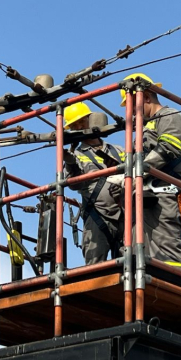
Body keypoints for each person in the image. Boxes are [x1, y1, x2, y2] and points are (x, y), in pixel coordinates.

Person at [120, 73, 181, 268]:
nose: (132, 114)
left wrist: (136, 174)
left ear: (146, 97)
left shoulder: (171, 117)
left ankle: (180, 289)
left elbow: (169, 148)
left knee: (167, 249)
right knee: (140, 251)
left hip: (166, 196)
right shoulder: (144, 128)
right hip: (146, 195)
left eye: (132, 107)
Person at [62, 102, 126, 265]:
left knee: (130, 264)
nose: (79, 127)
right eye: (74, 126)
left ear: (91, 119)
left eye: (82, 122)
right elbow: (73, 184)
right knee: (96, 267)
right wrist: (70, 163)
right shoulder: (75, 155)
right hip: (97, 215)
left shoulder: (117, 150)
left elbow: (134, 174)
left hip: (125, 214)